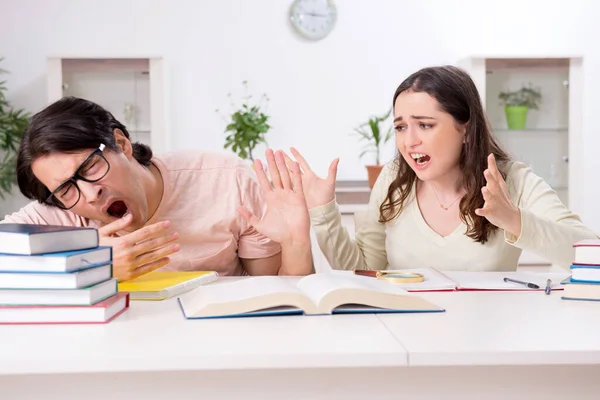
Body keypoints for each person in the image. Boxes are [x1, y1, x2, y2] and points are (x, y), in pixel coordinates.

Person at [266, 65, 598, 272]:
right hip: (406, 339)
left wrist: (514, 220)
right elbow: (365, 271)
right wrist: (324, 212)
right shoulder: (392, 180)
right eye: (400, 127)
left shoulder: (513, 180)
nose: (409, 142)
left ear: (465, 128)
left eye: (425, 125)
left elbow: (590, 255)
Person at [1, 96, 313, 280]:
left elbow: (276, 298)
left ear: (121, 143)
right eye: (67, 189)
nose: (89, 194)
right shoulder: (62, 212)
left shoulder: (225, 180)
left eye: (89, 167)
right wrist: (92, 264)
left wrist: (297, 242)